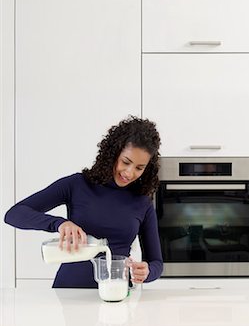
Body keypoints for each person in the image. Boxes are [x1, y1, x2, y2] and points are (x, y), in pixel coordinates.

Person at [4, 116, 163, 288]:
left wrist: (147, 272)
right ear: (114, 153)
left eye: (139, 168)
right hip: (70, 294)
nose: (130, 173)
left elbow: (156, 263)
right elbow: (14, 214)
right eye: (126, 162)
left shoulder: (142, 202)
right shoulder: (77, 185)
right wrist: (60, 224)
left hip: (117, 294)